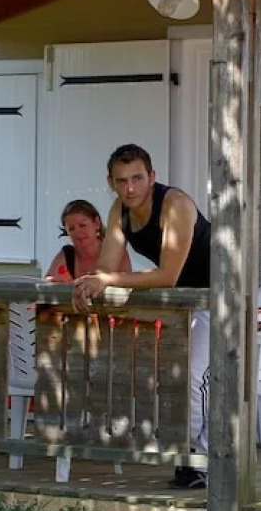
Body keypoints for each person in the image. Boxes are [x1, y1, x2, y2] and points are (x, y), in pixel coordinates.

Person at [73, 144, 211, 489]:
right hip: (180, 305)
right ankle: (185, 457)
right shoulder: (119, 210)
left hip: (218, 299)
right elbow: (106, 266)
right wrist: (90, 283)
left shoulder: (175, 205)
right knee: (169, 378)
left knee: (196, 378)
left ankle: (202, 460)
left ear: (152, 176)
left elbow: (167, 275)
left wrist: (106, 279)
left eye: (137, 178)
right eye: (122, 181)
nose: (130, 188)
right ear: (111, 183)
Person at [44, 198, 130, 283]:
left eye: (82, 225)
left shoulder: (115, 251)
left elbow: (127, 288)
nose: (77, 232)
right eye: (71, 229)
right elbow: (47, 285)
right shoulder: (67, 255)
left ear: (96, 223)